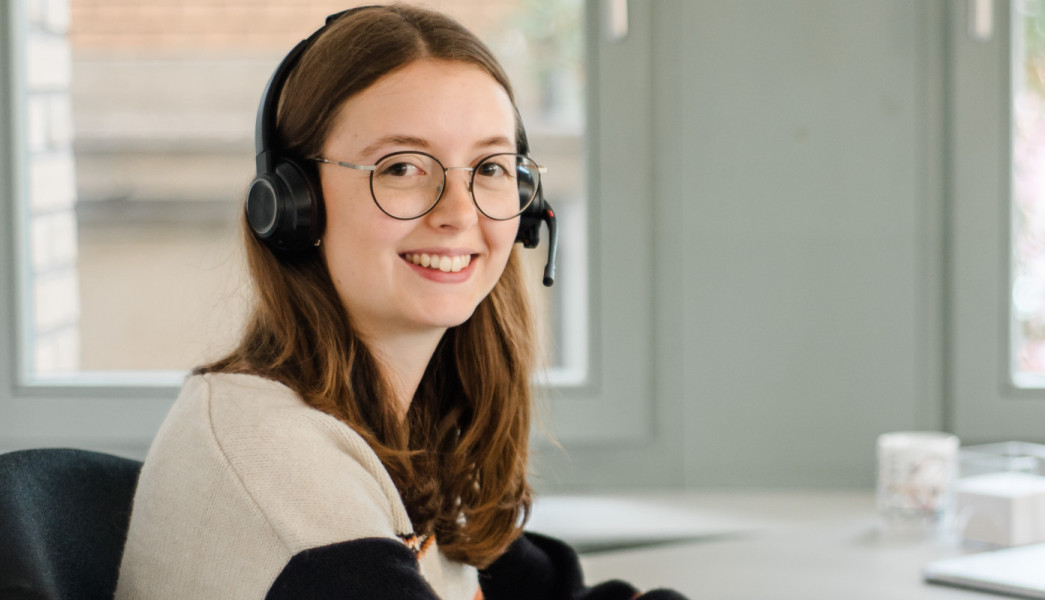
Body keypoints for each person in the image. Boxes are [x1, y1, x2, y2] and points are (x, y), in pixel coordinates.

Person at [114, 6, 678, 599]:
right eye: (403, 167)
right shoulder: (277, 464)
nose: (459, 213)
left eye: (489, 167)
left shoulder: (403, 437)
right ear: (294, 203)